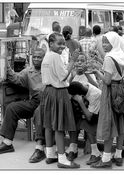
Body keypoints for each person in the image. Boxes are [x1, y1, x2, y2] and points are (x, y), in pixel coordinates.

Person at [0, 48, 45, 155]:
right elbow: (16, 79)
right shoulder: (28, 71)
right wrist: (5, 64)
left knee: (39, 113)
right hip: (34, 101)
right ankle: (7, 143)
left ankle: (39, 148)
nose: (37, 59)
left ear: (44, 58)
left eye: (39, 57)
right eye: (35, 57)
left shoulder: (49, 70)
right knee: (12, 108)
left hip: (47, 102)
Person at [41, 32, 80, 168]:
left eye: (64, 43)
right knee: (59, 126)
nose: (62, 46)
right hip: (58, 92)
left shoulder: (47, 56)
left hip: (48, 91)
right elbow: (63, 76)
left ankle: (50, 154)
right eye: (59, 43)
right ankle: (62, 159)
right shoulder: (56, 57)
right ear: (51, 44)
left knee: (49, 124)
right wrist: (73, 60)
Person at [91, 31, 124, 168]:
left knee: (109, 125)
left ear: (113, 42)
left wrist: (96, 71)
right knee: (119, 124)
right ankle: (118, 155)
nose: (104, 45)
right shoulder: (120, 55)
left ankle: (106, 158)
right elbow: (115, 71)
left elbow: (107, 80)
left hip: (110, 93)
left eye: (107, 42)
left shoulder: (109, 58)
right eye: (103, 42)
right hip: (120, 93)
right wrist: (100, 62)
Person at [67, 81, 102, 165]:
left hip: (98, 116)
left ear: (79, 95)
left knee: (87, 123)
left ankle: (96, 153)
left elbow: (90, 117)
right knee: (72, 119)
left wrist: (80, 102)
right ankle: (73, 148)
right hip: (85, 113)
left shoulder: (95, 94)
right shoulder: (84, 86)